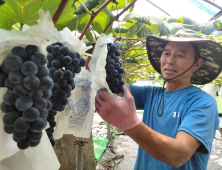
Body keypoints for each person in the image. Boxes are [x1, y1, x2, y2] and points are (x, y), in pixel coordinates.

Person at [95, 29, 222, 170]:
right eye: (166, 53)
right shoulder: (151, 94)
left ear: (197, 65)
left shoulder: (203, 103)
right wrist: (99, 60)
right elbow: (116, 86)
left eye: (180, 55)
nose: (170, 60)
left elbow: (179, 155)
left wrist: (130, 124)